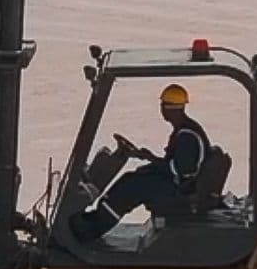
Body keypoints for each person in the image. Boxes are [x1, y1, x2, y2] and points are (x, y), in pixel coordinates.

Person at [78, 82, 221, 239]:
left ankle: (91, 230)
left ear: (169, 108)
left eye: (162, 105)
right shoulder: (185, 130)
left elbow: (183, 172)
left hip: (181, 189)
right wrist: (147, 158)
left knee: (133, 187)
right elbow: (175, 166)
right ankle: (95, 218)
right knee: (131, 178)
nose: (161, 109)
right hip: (178, 183)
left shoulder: (188, 136)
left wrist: (151, 159)